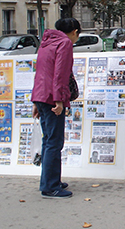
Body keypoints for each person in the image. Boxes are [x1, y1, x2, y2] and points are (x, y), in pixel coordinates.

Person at [32, 18, 80, 199]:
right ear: (75, 32)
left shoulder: (46, 42)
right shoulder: (65, 43)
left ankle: (50, 181)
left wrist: (37, 101)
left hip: (42, 96)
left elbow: (41, 72)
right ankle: (50, 186)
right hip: (52, 97)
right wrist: (59, 100)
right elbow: (61, 73)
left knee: (48, 141)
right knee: (54, 142)